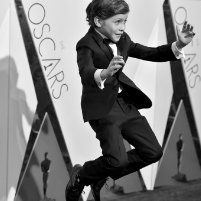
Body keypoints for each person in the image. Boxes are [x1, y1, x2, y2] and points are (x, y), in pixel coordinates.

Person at [65, 0, 195, 201]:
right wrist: (105, 73)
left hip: (125, 105)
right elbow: (86, 72)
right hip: (102, 110)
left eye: (125, 21)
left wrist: (178, 45)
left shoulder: (123, 39)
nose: (123, 27)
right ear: (98, 21)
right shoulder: (85, 43)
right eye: (117, 21)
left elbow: (149, 53)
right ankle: (81, 176)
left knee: (153, 152)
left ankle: (100, 175)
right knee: (116, 160)